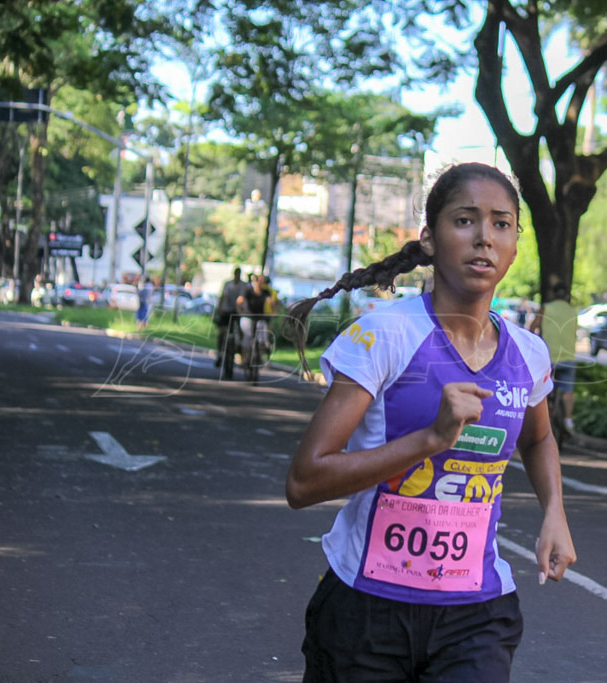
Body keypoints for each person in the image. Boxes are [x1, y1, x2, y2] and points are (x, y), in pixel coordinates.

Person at [284, 162, 576, 682]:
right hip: (366, 609)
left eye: (501, 224)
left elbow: (539, 438)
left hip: (475, 611)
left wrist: (555, 511)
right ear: (429, 239)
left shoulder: (528, 355)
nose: (484, 237)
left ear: (513, 244)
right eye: (464, 220)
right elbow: (305, 482)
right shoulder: (384, 337)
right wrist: (431, 439)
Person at [530, 281, 578, 435]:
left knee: (543, 390)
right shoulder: (573, 311)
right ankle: (568, 420)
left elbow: (533, 327)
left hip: (548, 357)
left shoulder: (546, 308)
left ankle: (544, 421)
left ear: (553, 294)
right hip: (569, 357)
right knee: (568, 391)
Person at [214, 267, 248, 367]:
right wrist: (220, 309)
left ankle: (241, 353)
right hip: (226, 310)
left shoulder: (244, 285)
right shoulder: (228, 284)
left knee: (242, 332)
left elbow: (244, 299)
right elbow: (223, 296)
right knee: (222, 332)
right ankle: (220, 354)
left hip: (238, 312)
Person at [237, 273, 271, 371]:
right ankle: (245, 358)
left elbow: (271, 302)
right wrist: (240, 312)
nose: (261, 283)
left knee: (262, 339)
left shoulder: (265, 292)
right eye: (259, 281)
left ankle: (259, 356)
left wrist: (274, 310)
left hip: (260, 318)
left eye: (262, 281)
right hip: (248, 317)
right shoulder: (248, 291)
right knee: (247, 338)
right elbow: (239, 301)